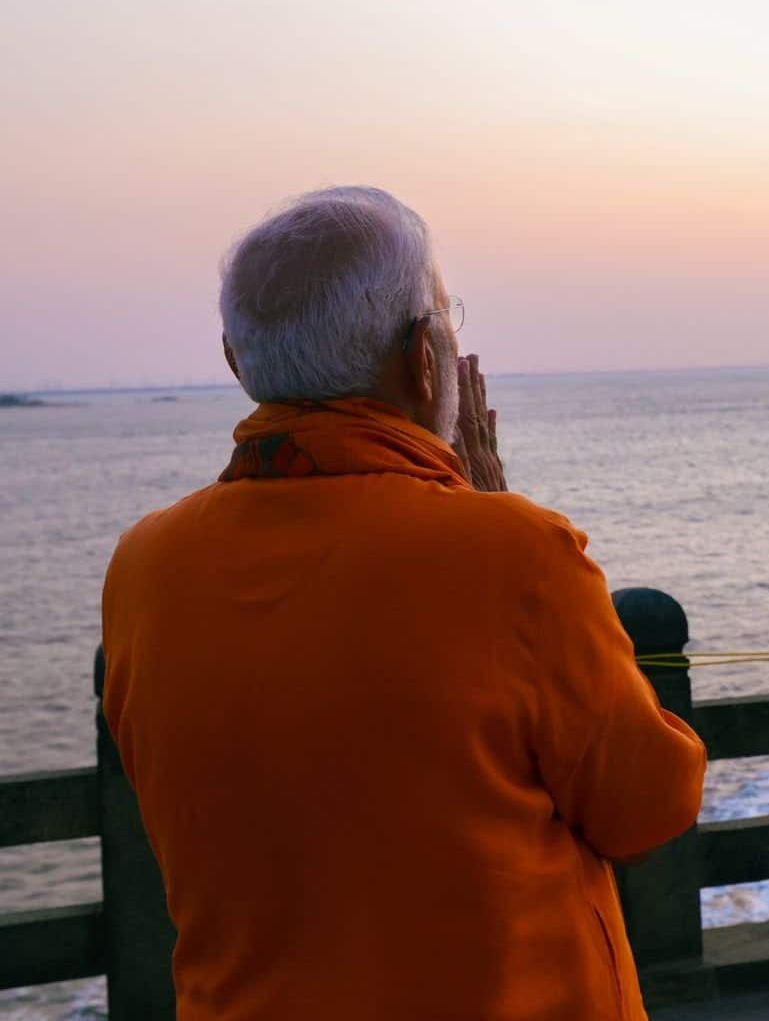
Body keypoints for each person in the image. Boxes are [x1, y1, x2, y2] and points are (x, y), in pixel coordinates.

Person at [100, 186, 706, 1020]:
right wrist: (490, 514)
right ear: (426, 357)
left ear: (238, 366)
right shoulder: (513, 555)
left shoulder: (144, 566)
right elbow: (648, 806)